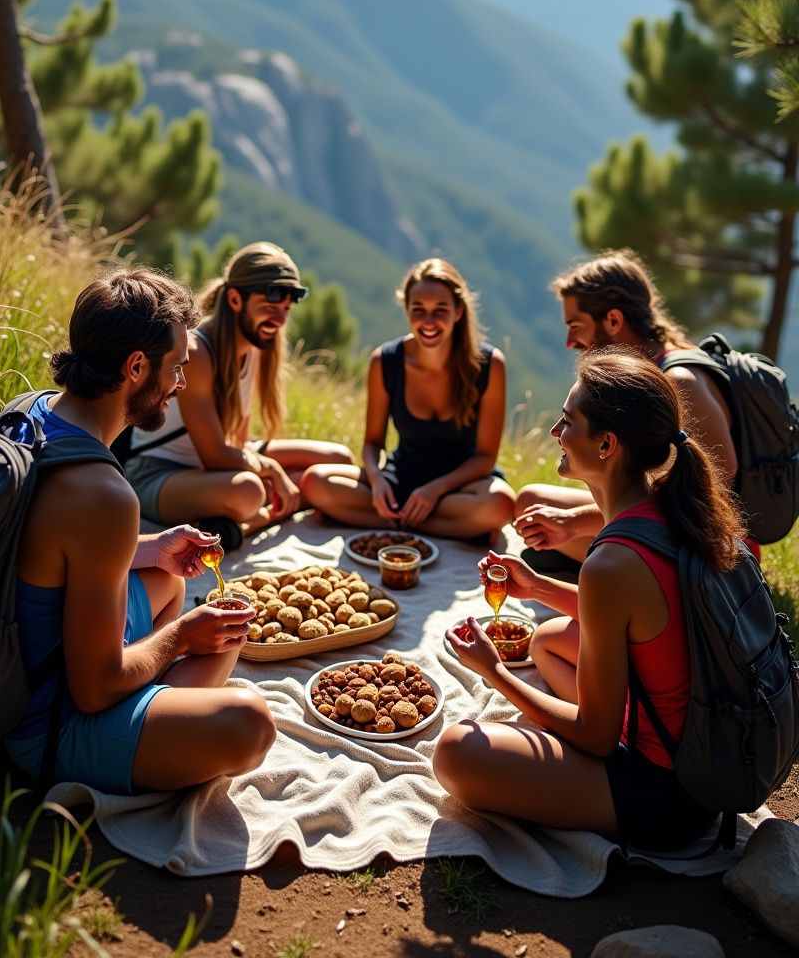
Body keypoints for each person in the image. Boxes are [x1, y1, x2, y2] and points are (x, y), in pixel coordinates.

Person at [435, 348, 744, 850]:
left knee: (454, 752)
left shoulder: (612, 563)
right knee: (548, 639)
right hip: (702, 747)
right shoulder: (667, 506)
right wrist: (535, 587)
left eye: (567, 421)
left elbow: (597, 737)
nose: (556, 432)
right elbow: (644, 618)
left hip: (668, 795)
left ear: (607, 444)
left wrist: (494, 673)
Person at [5, 268, 276, 794]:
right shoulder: (103, 495)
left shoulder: (38, 412)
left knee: (169, 579)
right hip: (45, 723)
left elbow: (48, 546)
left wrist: (152, 547)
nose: (179, 384)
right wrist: (180, 638)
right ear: (136, 367)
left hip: (24, 651)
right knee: (249, 721)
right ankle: (141, 722)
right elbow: (94, 687)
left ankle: (153, 705)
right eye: (176, 369)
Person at [515, 249, 738, 570]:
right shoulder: (650, 370)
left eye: (576, 325)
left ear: (614, 320)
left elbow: (711, 492)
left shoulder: (680, 381)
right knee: (530, 505)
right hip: (657, 522)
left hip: (703, 546)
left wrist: (573, 522)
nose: (569, 341)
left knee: (540, 521)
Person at [123, 243, 354, 548]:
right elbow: (216, 456)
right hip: (157, 473)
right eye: (271, 307)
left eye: (286, 309)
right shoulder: (198, 352)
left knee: (338, 458)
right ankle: (264, 513)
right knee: (249, 491)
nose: (281, 320)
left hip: (210, 469)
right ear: (235, 299)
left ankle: (251, 517)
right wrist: (271, 470)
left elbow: (238, 442)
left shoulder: (253, 344)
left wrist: (268, 472)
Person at [300, 258, 514, 538]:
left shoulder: (489, 364)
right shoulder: (386, 361)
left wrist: (435, 490)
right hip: (400, 478)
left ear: (458, 311)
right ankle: (437, 525)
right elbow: (372, 443)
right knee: (315, 482)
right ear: (406, 310)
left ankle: (391, 520)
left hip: (460, 486)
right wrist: (376, 480)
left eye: (440, 310)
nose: (428, 321)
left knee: (501, 504)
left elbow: (485, 458)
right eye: (418, 310)